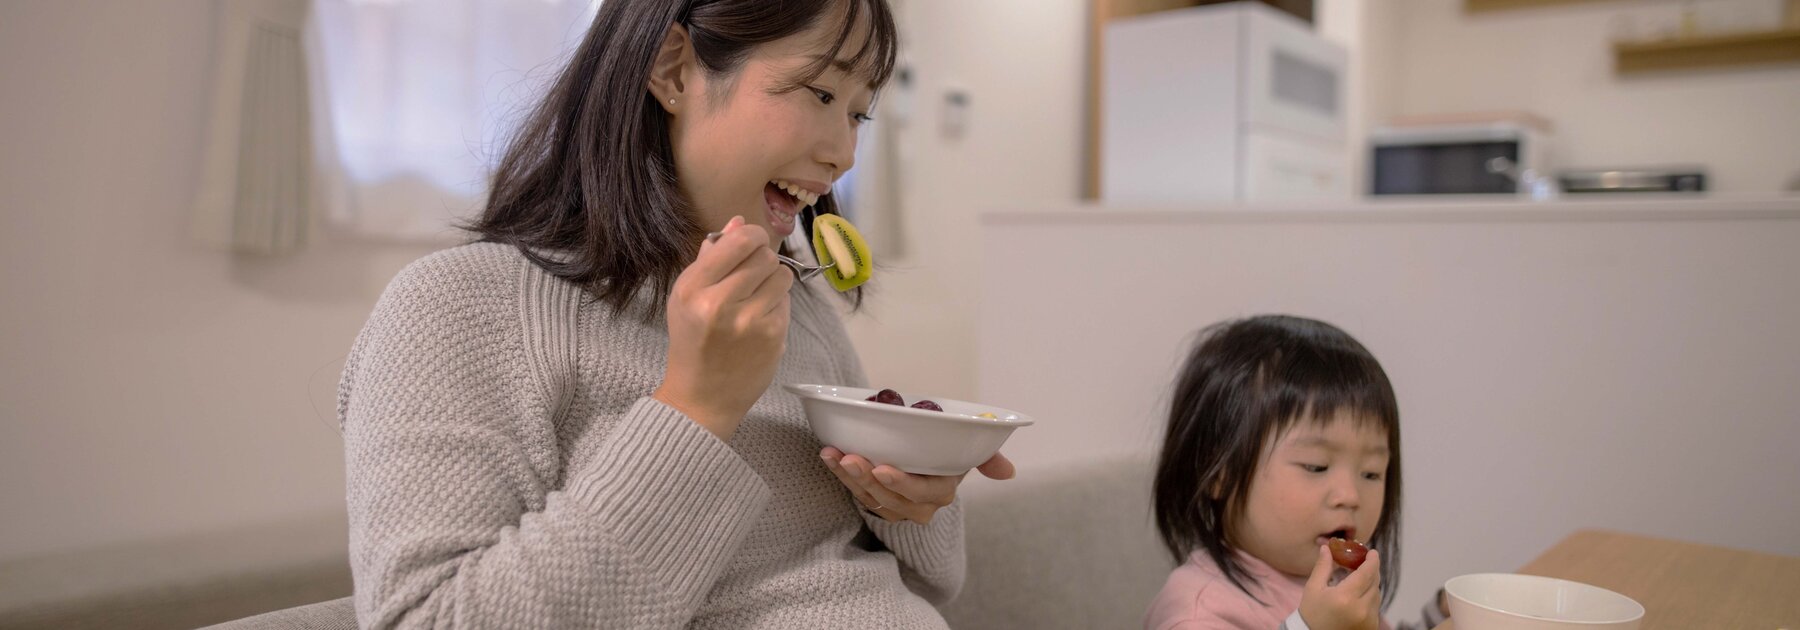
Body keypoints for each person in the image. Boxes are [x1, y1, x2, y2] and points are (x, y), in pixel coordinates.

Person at [337, 0, 1012, 627]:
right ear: (674, 69)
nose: (844, 154)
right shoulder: (458, 307)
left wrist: (904, 500)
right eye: (822, 93)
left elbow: (926, 585)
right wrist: (698, 406)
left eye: (860, 114)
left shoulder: (797, 307)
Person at [1143, 315, 1445, 630]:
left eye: (1371, 473)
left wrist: (1439, 619)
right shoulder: (1197, 611)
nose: (1350, 496)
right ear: (1219, 472)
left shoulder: (1336, 580)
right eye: (1316, 466)